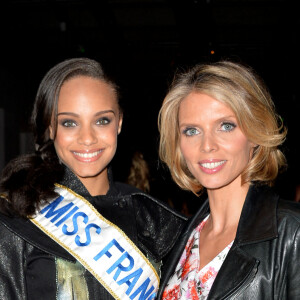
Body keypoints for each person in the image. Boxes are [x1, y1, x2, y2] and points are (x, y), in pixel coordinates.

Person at [0, 57, 187, 300]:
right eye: (69, 123)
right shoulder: (16, 214)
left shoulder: (152, 219)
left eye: (101, 121)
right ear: (50, 127)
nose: (87, 138)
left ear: (118, 122)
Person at [156, 60, 300, 299]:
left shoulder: (292, 233)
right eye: (192, 130)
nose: (207, 146)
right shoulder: (175, 241)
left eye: (225, 126)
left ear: (255, 134)